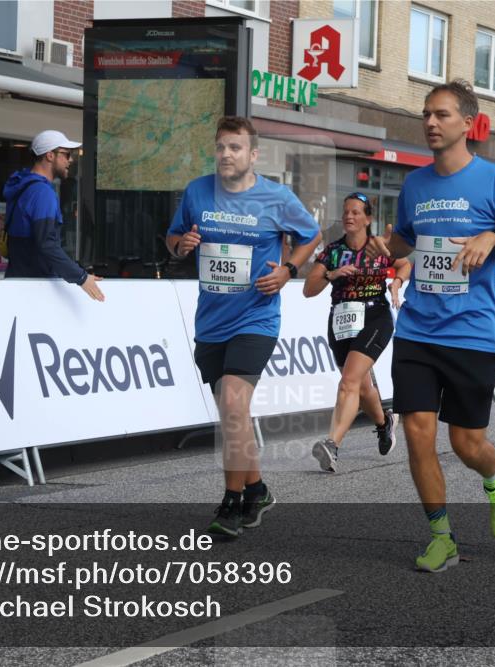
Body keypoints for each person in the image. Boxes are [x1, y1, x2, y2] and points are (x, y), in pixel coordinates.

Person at [364, 79, 495, 573]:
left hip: (473, 331)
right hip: (419, 329)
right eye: (426, 114)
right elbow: (405, 242)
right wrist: (386, 245)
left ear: (468, 123)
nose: (430, 123)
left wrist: (493, 236)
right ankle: (441, 536)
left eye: (441, 114)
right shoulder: (416, 184)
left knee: (466, 444)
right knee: (419, 434)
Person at [166, 116, 321, 537]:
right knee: (233, 414)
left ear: (253, 155)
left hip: (257, 316)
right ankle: (257, 489)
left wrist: (288, 270)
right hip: (211, 321)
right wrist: (181, 245)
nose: (226, 154)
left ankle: (231, 504)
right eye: (220, 147)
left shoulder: (277, 197)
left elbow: (312, 234)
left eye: (235, 147)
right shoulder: (197, 191)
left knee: (234, 406)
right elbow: (173, 237)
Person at [303, 193, 410, 472]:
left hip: (375, 316)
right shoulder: (333, 251)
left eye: (356, 212)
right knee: (361, 386)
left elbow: (404, 263)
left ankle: (332, 445)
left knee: (349, 382)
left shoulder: (378, 245)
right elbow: (308, 289)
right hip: (341, 319)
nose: (349, 216)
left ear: (368, 218)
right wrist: (331, 275)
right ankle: (384, 422)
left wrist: (396, 283)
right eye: (346, 212)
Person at [3, 130, 104, 301]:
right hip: (36, 289)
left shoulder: (24, 187)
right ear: (50, 155)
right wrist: (81, 277)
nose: (70, 160)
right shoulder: (42, 192)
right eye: (66, 154)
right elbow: (47, 244)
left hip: (17, 281)